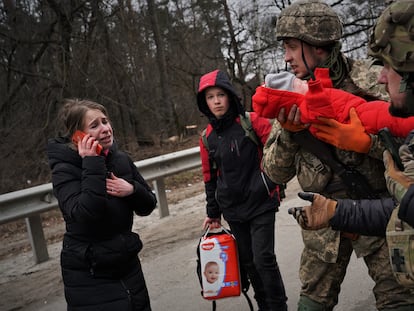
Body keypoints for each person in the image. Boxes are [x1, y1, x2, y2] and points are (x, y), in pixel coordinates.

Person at [261, 0, 414, 310]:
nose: (286, 57)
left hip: (378, 214)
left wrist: (366, 144)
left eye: (291, 46)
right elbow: (274, 173)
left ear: (317, 45)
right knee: (311, 304)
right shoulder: (289, 93)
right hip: (322, 222)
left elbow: (407, 152)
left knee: (400, 300)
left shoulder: (372, 81)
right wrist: (290, 132)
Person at [47, 99, 157, 311]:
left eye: (105, 121)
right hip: (89, 271)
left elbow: (148, 205)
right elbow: (86, 213)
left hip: (127, 266)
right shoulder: (64, 170)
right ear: (78, 136)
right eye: (94, 125)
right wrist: (92, 161)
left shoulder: (121, 159)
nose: (105, 129)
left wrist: (132, 190)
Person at [197, 69, 288, 310]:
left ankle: (279, 306)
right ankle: (264, 305)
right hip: (233, 210)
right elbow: (210, 177)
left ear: (229, 96)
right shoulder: (207, 138)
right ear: (204, 102)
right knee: (248, 261)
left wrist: (272, 183)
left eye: (220, 95)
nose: (216, 101)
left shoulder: (251, 121)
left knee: (263, 258)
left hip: (261, 203)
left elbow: (277, 154)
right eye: (210, 97)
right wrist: (213, 213)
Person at [252, 68, 414, 138]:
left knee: (393, 116)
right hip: (359, 116)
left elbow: (327, 90)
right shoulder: (308, 105)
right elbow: (321, 116)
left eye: (293, 47)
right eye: (299, 85)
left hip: (361, 110)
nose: (305, 83)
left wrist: (320, 77)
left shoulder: (359, 73)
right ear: (290, 98)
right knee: (395, 122)